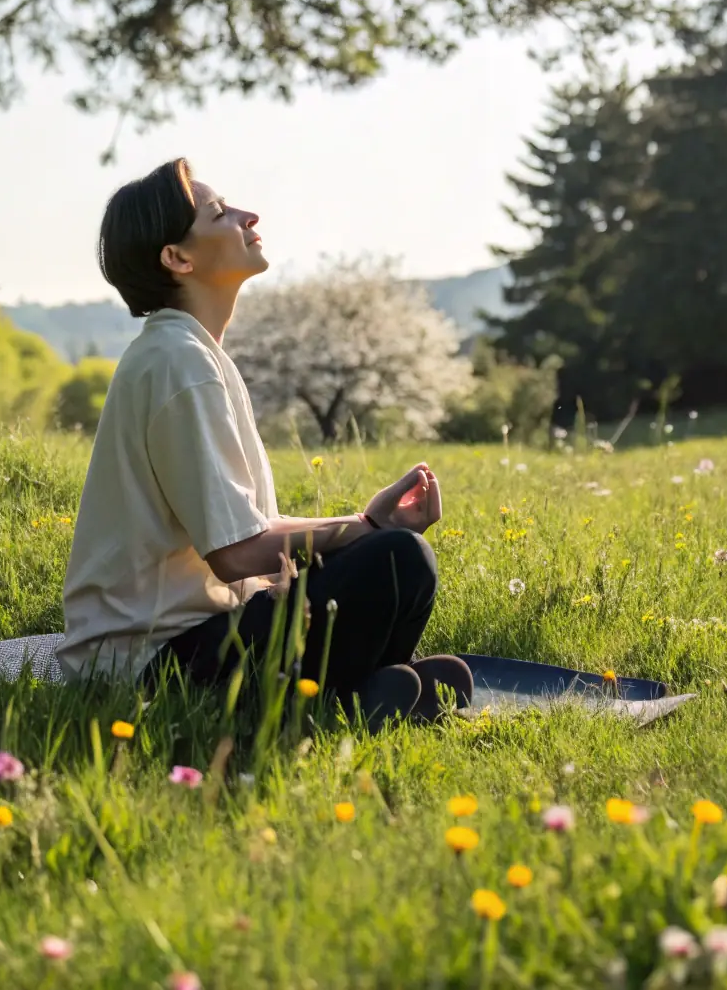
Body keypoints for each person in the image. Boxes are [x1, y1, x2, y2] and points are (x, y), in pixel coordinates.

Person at [59, 157, 473, 729]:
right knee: (396, 557)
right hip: (150, 663)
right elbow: (234, 555)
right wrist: (364, 531)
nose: (247, 215)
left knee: (397, 557)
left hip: (203, 632)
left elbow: (243, 538)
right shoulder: (179, 362)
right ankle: (340, 703)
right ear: (178, 258)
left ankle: (362, 693)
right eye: (219, 213)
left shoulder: (190, 353)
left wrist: (362, 525)